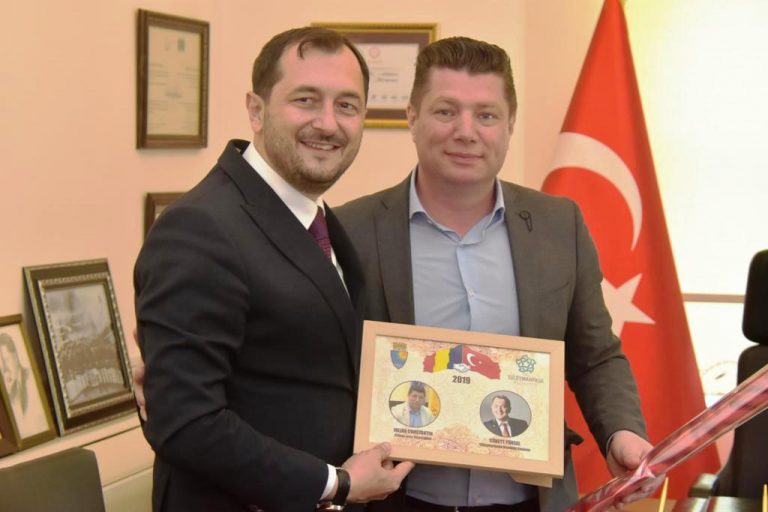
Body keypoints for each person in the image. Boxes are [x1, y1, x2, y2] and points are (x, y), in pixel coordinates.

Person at [335, 37, 663, 511]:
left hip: (530, 501)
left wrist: (622, 433)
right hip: (396, 499)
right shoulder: (350, 230)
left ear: (509, 125)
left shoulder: (559, 225)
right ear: (412, 117)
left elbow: (595, 356)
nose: (466, 132)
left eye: (486, 115)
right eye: (446, 111)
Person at [133, 27, 412, 512]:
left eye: (347, 105)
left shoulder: (318, 221)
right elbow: (186, 423)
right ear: (256, 110)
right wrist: (338, 483)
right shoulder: (200, 228)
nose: (328, 123)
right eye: (306, 100)